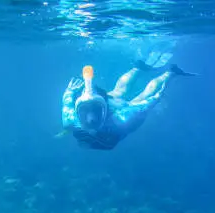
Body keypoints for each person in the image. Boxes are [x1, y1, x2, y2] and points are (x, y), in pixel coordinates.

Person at [60, 52, 196, 150]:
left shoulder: (120, 120)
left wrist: (157, 96)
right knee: (119, 92)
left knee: (143, 95)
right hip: (112, 106)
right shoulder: (70, 120)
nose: (90, 119)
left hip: (118, 111)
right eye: (85, 111)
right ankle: (139, 68)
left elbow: (145, 105)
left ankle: (171, 72)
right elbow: (67, 102)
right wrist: (69, 92)